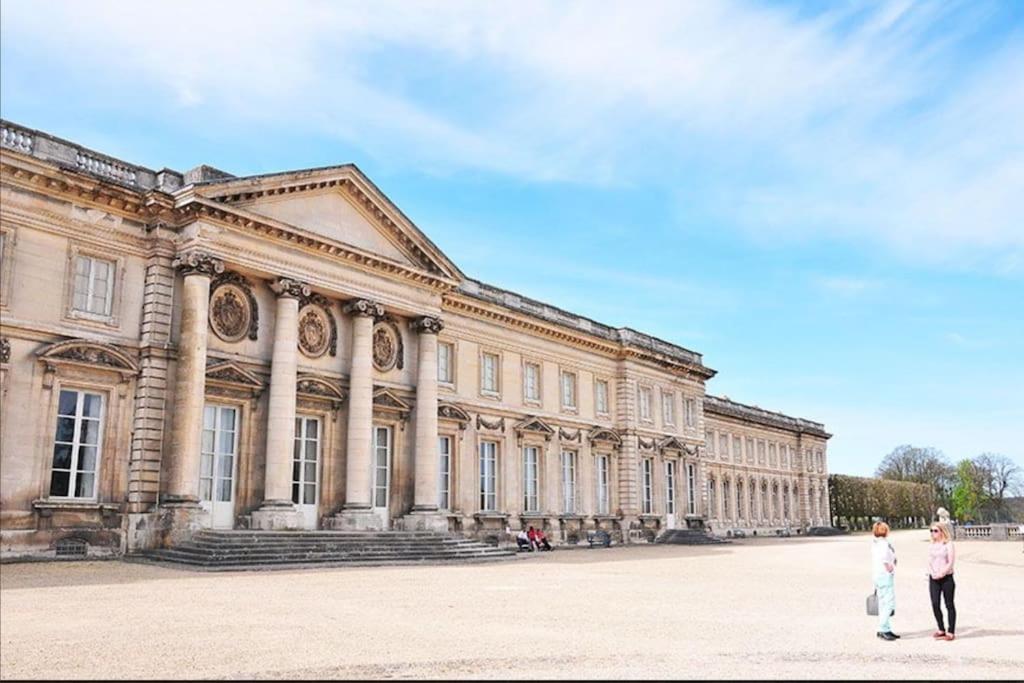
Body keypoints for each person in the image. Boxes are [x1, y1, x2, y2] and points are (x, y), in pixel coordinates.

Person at [871, 521, 899, 641]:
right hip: (884, 575)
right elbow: (885, 559)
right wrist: (890, 567)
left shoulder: (875, 543)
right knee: (888, 603)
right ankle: (882, 628)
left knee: (883, 603)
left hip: (878, 575)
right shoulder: (883, 544)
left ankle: (885, 628)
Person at [929, 523, 957, 640]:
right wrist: (932, 572)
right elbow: (929, 561)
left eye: (935, 531)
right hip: (934, 578)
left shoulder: (948, 544)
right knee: (935, 603)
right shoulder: (931, 545)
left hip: (946, 577)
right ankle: (941, 628)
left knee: (949, 604)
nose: (933, 533)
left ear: (942, 531)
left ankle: (951, 631)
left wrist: (942, 573)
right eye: (931, 531)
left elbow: (950, 561)